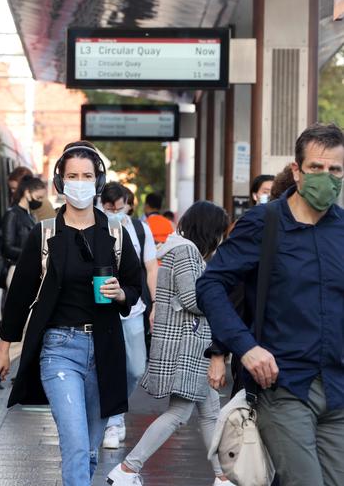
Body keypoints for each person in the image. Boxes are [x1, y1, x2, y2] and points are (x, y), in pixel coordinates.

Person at [197, 123, 344, 486]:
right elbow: (211, 284)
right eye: (316, 168)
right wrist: (244, 348)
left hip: (338, 389)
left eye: (336, 170)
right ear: (297, 170)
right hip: (284, 385)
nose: (327, 177)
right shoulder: (265, 223)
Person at [0, 140, 142, 486]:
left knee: (89, 451)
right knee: (75, 446)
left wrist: (122, 294)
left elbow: (136, 288)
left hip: (105, 351)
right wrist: (3, 348)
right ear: (60, 182)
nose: (79, 182)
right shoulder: (44, 234)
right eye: (72, 175)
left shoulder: (115, 233)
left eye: (87, 175)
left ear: (98, 181)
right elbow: (19, 295)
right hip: (59, 350)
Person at [106, 201, 232, 486]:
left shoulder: (181, 250)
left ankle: (223, 477)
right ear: (209, 230)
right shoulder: (186, 251)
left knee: (211, 413)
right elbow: (191, 298)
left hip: (192, 345)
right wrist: (221, 299)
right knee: (178, 414)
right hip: (187, 347)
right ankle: (127, 470)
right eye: (220, 232)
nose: (221, 238)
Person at [100, 182, 158, 449]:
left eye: (118, 207)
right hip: (100, 310)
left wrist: (156, 303)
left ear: (128, 204)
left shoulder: (139, 229)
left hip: (133, 309)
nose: (113, 211)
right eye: (108, 207)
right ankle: (113, 420)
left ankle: (114, 411)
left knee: (135, 368)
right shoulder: (94, 227)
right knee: (105, 366)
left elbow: (151, 268)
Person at [1, 175, 47, 287]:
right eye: (38, 197)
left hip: (28, 269)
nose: (40, 201)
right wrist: (32, 253)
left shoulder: (30, 216)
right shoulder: (12, 214)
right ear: (27, 193)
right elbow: (7, 248)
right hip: (16, 270)